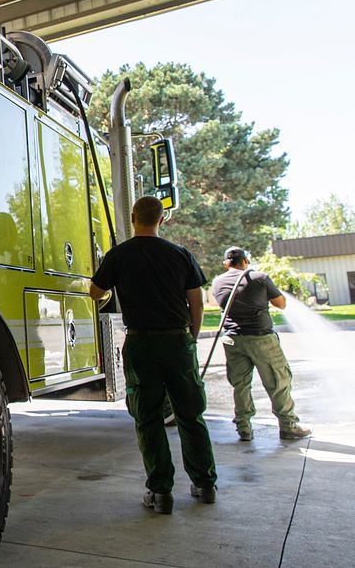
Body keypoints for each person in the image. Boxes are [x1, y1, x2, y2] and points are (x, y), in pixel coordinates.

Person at [89, 196, 217, 515]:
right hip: (178, 342)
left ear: (133, 217)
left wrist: (112, 288)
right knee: (190, 414)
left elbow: (95, 292)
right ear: (162, 220)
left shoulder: (119, 255)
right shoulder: (181, 254)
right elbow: (196, 303)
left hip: (141, 344)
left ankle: (160, 494)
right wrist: (192, 337)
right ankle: (205, 484)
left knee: (148, 418)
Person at [211, 247, 311, 442]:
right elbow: (281, 304)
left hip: (232, 339)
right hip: (261, 338)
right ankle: (288, 426)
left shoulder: (217, 282)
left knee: (240, 385)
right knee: (278, 381)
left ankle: (244, 428)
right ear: (246, 261)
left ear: (226, 264)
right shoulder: (259, 277)